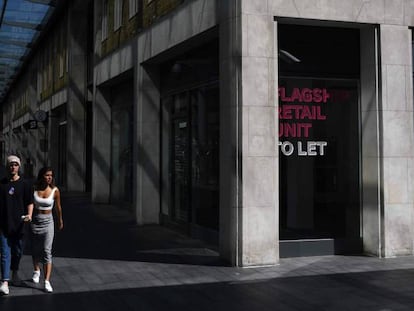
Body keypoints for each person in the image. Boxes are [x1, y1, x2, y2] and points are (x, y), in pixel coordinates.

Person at [0, 155, 33, 296]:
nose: (13, 167)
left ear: (19, 167)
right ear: (7, 167)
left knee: (18, 252)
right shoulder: (2, 184)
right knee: (5, 253)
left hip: (19, 224)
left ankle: (15, 273)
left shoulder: (25, 184)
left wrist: (29, 215)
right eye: (11, 164)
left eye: (15, 164)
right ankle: (5, 282)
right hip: (3, 224)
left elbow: (29, 202)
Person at [30, 166, 63, 293]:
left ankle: (47, 281)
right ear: (42, 176)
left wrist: (60, 220)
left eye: (51, 175)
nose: (49, 177)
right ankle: (36, 270)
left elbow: (58, 207)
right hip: (35, 220)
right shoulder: (34, 188)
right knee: (34, 248)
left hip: (48, 221)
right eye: (46, 175)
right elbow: (30, 204)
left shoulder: (55, 190)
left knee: (46, 250)